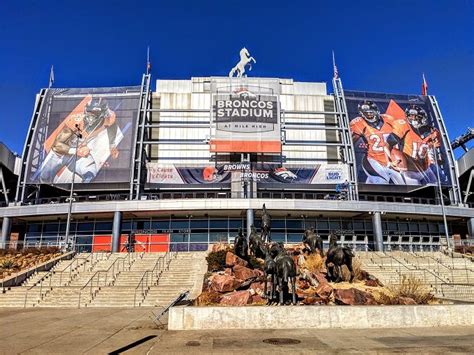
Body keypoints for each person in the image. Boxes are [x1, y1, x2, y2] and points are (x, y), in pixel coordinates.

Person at [38, 97, 119, 183]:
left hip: (79, 154)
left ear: (103, 115)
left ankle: (77, 194)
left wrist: (112, 145)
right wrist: (76, 151)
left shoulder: (109, 118)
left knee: (90, 174)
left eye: (95, 113)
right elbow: (57, 145)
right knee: (44, 178)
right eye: (89, 112)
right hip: (61, 153)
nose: (90, 117)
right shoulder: (76, 120)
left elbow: (112, 126)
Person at [350, 100, 409, 184]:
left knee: (403, 184)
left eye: (371, 112)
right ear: (362, 114)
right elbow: (351, 141)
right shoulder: (359, 123)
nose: (370, 114)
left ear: (377, 111)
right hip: (373, 160)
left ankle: (363, 194)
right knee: (381, 182)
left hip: (392, 160)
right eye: (366, 113)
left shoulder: (389, 119)